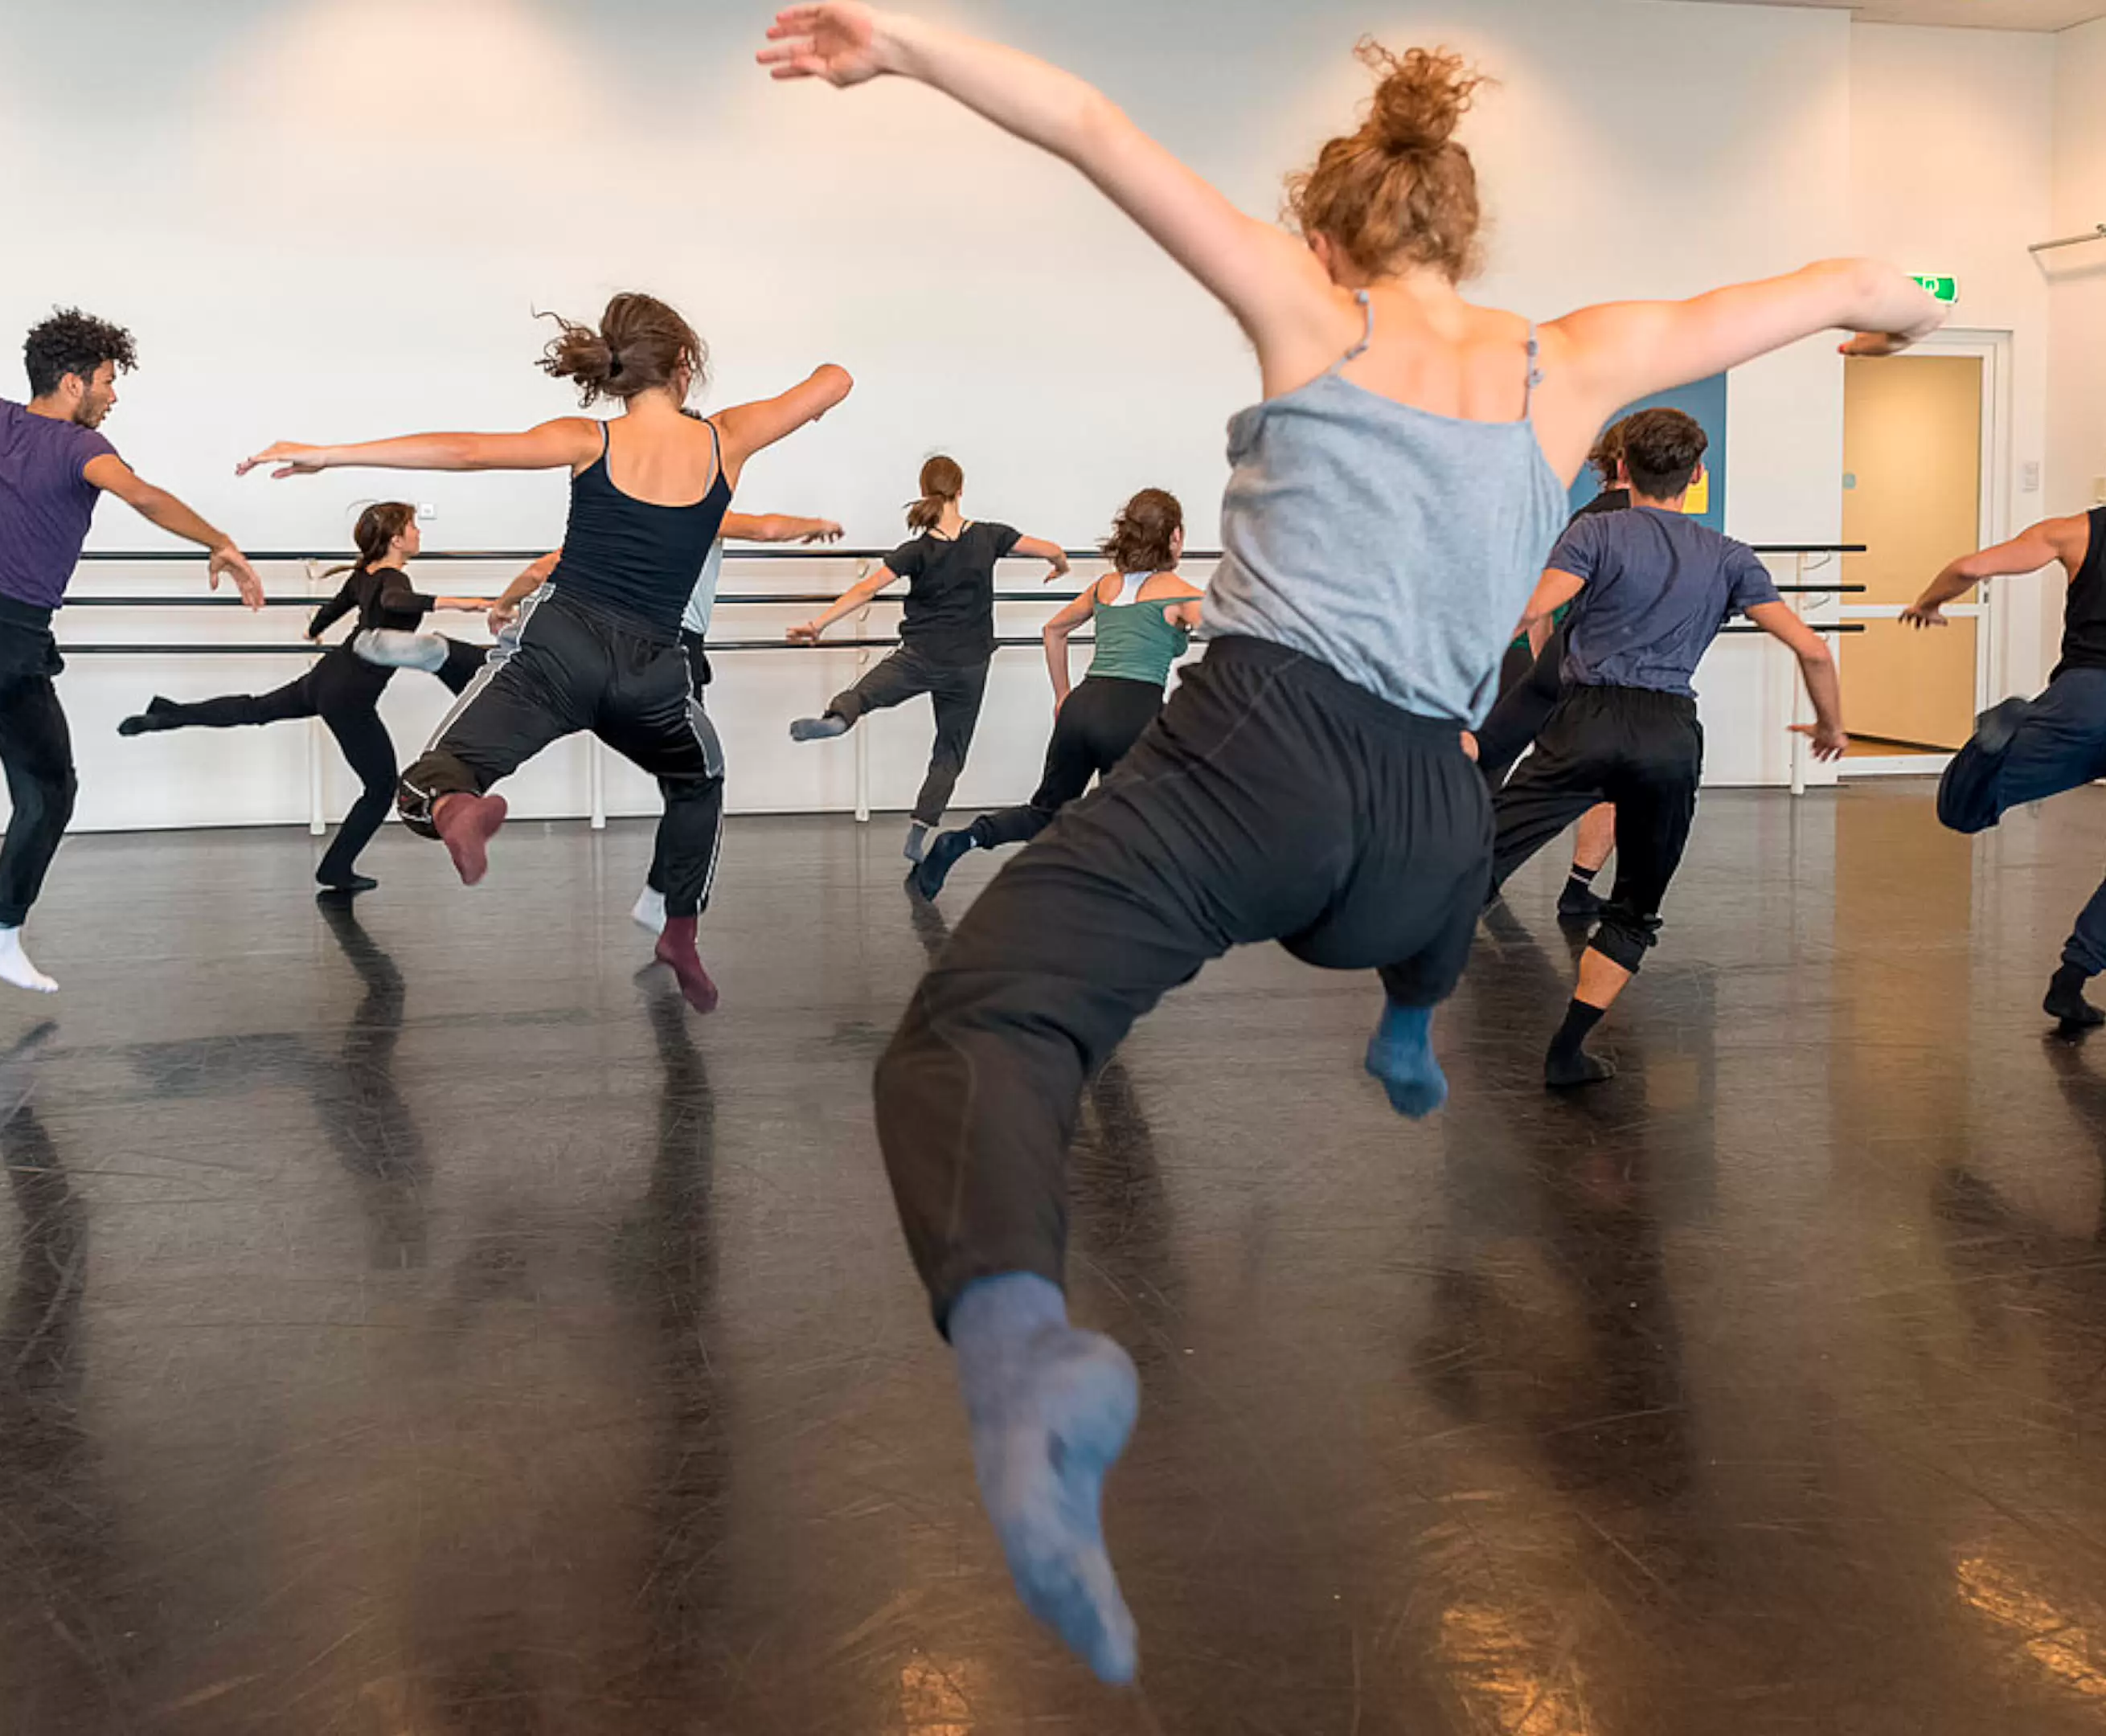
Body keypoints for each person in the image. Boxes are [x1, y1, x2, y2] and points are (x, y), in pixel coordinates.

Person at [760, 0, 1940, 1687]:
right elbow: (1849, 285)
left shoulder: (1304, 302)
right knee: (1428, 894)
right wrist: (1922, 302)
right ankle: (1408, 1019)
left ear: (1329, 233)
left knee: (992, 1019)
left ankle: (1027, 1355)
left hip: (1251, 757)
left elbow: (1091, 122)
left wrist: (906, 46)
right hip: (1424, 812)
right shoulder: (1583, 355)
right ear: (1473, 229)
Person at [239, 292, 851, 1012]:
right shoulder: (728, 437)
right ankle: (678, 927)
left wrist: (330, 456)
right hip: (655, 670)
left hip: (557, 648)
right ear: (684, 363)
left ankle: (455, 807)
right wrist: (805, 398)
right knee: (699, 780)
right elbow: (835, 378)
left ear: (618, 370)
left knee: (435, 776)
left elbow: (467, 452)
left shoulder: (589, 438)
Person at [1486, 408, 1847, 1087]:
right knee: (1634, 910)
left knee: (1473, 863)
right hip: (1668, 733)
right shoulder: (1731, 557)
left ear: (1622, 470)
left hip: (1585, 718)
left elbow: (1529, 612)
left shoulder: (1595, 532)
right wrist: (1831, 727)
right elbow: (1813, 649)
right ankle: (1567, 1052)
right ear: (1697, 475)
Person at [0, 307, 264, 993]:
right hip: (3, 642)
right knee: (49, 792)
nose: (115, 396)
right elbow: (144, 497)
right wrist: (219, 542)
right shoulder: (81, 451)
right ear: (73, 382)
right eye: (109, 382)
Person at [117, 502, 493, 895]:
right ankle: (336, 868)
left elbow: (337, 606)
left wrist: (315, 628)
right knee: (381, 788)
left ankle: (169, 714)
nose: (419, 533)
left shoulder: (363, 573)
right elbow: (394, 604)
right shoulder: (395, 580)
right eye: (413, 527)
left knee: (255, 708)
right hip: (350, 695)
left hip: (328, 676)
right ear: (396, 540)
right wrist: (456, 603)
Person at [908, 487, 1201, 900]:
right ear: (1174, 537)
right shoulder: (1182, 592)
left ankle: (964, 840)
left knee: (1045, 812)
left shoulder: (1105, 587)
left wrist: (1063, 696)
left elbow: (1054, 630)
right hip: (1133, 715)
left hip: (1083, 706)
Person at [785, 455, 1071, 863]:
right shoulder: (991, 536)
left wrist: (819, 623)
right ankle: (918, 834)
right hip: (970, 666)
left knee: (865, 695)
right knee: (949, 752)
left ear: (924, 493)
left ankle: (838, 719)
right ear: (961, 489)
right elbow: (1051, 549)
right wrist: (1059, 565)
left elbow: (866, 589)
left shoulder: (916, 550)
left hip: (920, 657)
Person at [1906, 508, 2106, 1030]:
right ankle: (2073, 975)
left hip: (2083, 701)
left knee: (1964, 811)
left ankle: (1989, 748)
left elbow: (1970, 567)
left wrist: (1929, 602)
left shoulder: (2075, 531)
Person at [1478, 422, 1633, 919]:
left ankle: (1498, 877)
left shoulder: (1581, 519)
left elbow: (1540, 605)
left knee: (1497, 766)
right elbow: (1541, 604)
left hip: (1539, 659)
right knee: (1563, 779)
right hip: (1568, 669)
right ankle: (1478, 875)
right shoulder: (1625, 521)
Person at [484, 506, 846, 702]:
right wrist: (815, 524)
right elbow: (765, 529)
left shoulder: (620, 519)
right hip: (673, 643)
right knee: (693, 770)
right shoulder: (701, 515)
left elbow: (538, 572)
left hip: (611, 641)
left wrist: (503, 606)